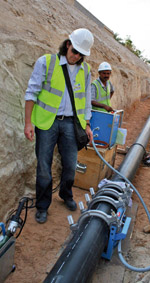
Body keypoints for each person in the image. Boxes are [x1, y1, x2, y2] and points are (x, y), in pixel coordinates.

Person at [24, 28, 94, 224]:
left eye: (81, 54)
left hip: (72, 124)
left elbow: (86, 100)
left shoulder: (86, 71)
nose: (77, 56)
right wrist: (28, 122)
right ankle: (43, 206)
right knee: (44, 167)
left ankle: (66, 194)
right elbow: (31, 93)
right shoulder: (46, 62)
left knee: (71, 165)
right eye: (74, 51)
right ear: (68, 44)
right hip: (48, 123)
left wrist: (87, 125)